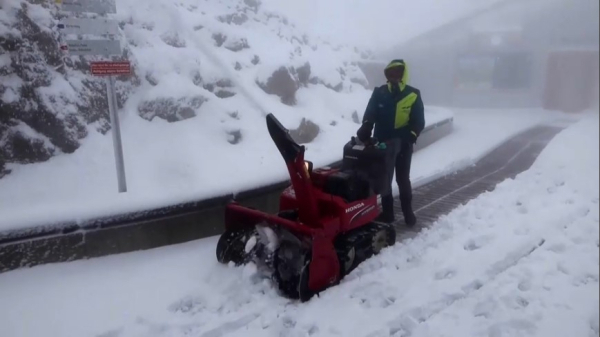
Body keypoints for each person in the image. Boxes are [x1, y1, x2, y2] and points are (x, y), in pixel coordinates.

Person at [356, 59, 425, 226]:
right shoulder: (379, 93)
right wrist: (366, 126)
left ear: (403, 74)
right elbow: (370, 112)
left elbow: (419, 121)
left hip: (403, 145)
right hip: (381, 146)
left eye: (397, 73)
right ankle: (388, 214)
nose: (394, 76)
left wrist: (410, 135)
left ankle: (408, 211)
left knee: (402, 179)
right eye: (391, 73)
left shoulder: (413, 94)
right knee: (384, 180)